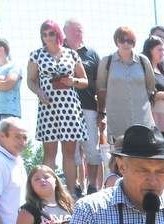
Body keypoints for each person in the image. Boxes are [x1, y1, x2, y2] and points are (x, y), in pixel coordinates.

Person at [28, 20, 89, 195]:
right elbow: (30, 80)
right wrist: (39, 92)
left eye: (51, 33)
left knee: (69, 152)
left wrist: (73, 81)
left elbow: (84, 81)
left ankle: (69, 193)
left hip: (69, 106)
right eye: (44, 34)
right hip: (48, 106)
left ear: (58, 34)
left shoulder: (72, 54)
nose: (48, 37)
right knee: (49, 152)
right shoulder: (36, 55)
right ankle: (48, 193)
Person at [96, 27, 157, 147]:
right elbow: (101, 90)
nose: (125, 43)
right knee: (119, 159)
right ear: (116, 41)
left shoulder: (143, 61)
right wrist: (101, 113)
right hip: (117, 121)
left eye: (130, 41)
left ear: (134, 43)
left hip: (143, 121)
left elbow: (151, 88)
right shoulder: (106, 61)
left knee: (143, 158)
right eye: (122, 40)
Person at [63, 20, 102, 194]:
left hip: (88, 106)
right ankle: (76, 186)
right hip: (64, 108)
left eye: (80, 30)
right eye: (73, 31)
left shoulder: (92, 54)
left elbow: (99, 85)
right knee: (72, 152)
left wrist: (102, 111)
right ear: (64, 33)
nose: (77, 33)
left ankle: (93, 185)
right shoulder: (58, 52)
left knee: (92, 148)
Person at [142, 36, 164, 138]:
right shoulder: (143, 70)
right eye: (159, 50)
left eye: (163, 50)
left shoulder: (163, 70)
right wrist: (163, 95)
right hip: (152, 119)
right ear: (150, 50)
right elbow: (145, 94)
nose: (162, 53)